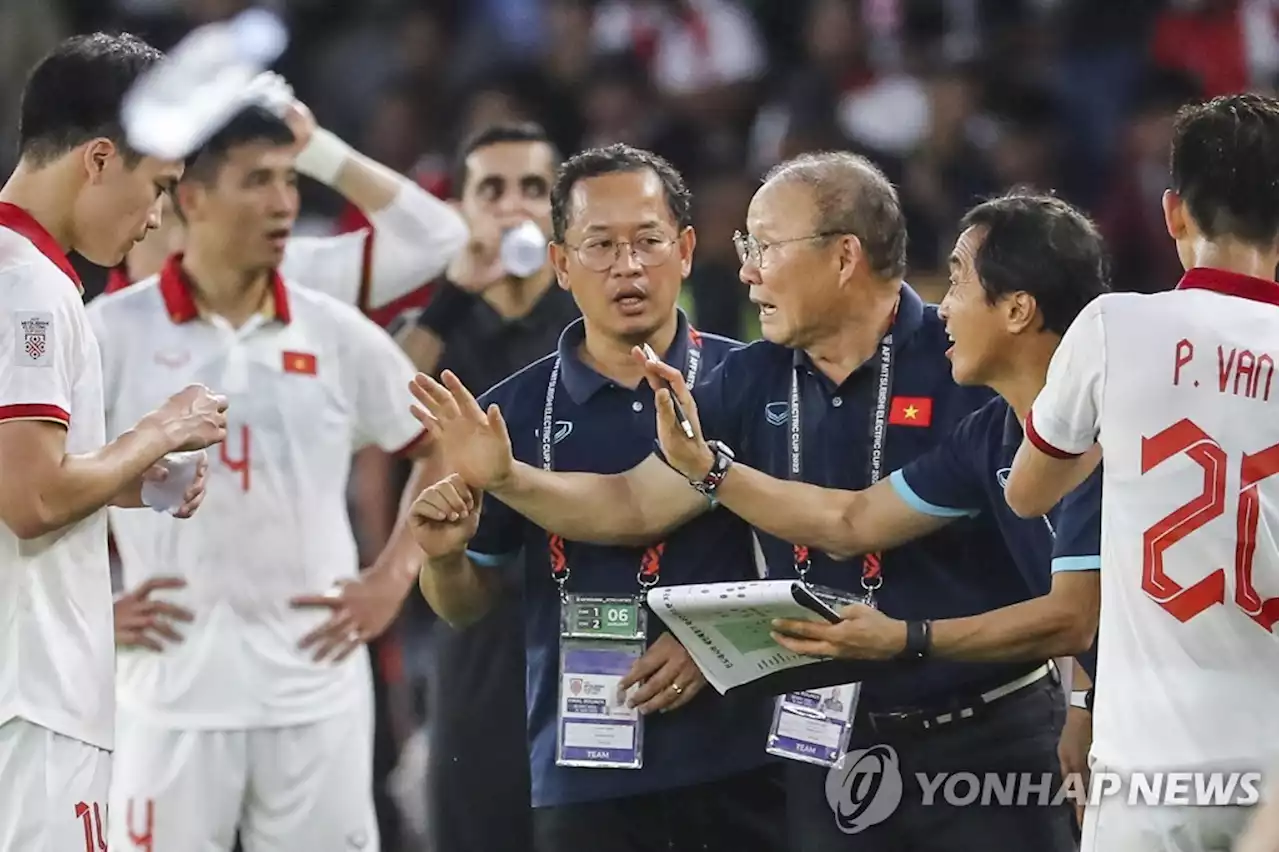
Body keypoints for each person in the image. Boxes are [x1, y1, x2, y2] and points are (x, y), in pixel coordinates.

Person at [410, 152, 1077, 851]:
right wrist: (511, 479)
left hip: (983, 740)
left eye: (765, 247)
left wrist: (1086, 700)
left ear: (844, 256)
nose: (748, 270)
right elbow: (634, 506)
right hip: (829, 745)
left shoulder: (965, 365)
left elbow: (1066, 588)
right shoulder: (751, 376)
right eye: (746, 248)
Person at [410, 143, 785, 852]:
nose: (628, 266)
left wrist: (723, 641)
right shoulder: (507, 416)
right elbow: (466, 603)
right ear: (560, 265)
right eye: (600, 246)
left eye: (647, 242)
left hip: (742, 758)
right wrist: (443, 558)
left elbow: (822, 560)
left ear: (684, 249)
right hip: (583, 772)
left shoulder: (755, 384)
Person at [91, 102, 435, 852]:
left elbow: (442, 447)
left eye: (288, 180)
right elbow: (36, 479)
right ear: (191, 198)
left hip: (317, 688)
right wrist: (88, 609)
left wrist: (393, 577)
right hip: (167, 696)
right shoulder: (109, 333)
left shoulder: (338, 332)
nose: (284, 202)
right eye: (258, 181)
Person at [1006, 93, 1280, 852]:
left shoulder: (1115, 326)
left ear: (1173, 212)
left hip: (1151, 767)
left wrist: (1113, 436)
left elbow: (1028, 494)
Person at [0, 32, 228, 851]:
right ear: (99, 160)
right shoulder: (29, 289)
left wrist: (129, 476)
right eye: (159, 185)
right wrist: (156, 431)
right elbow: (30, 502)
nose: (159, 216)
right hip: (34, 700)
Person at [390, 120, 580, 852]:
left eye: (533, 189)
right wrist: (453, 292)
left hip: (578, 605)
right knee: (475, 823)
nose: (513, 207)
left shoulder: (589, 321)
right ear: (465, 208)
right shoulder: (438, 325)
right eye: (491, 190)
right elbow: (382, 412)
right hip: (473, 611)